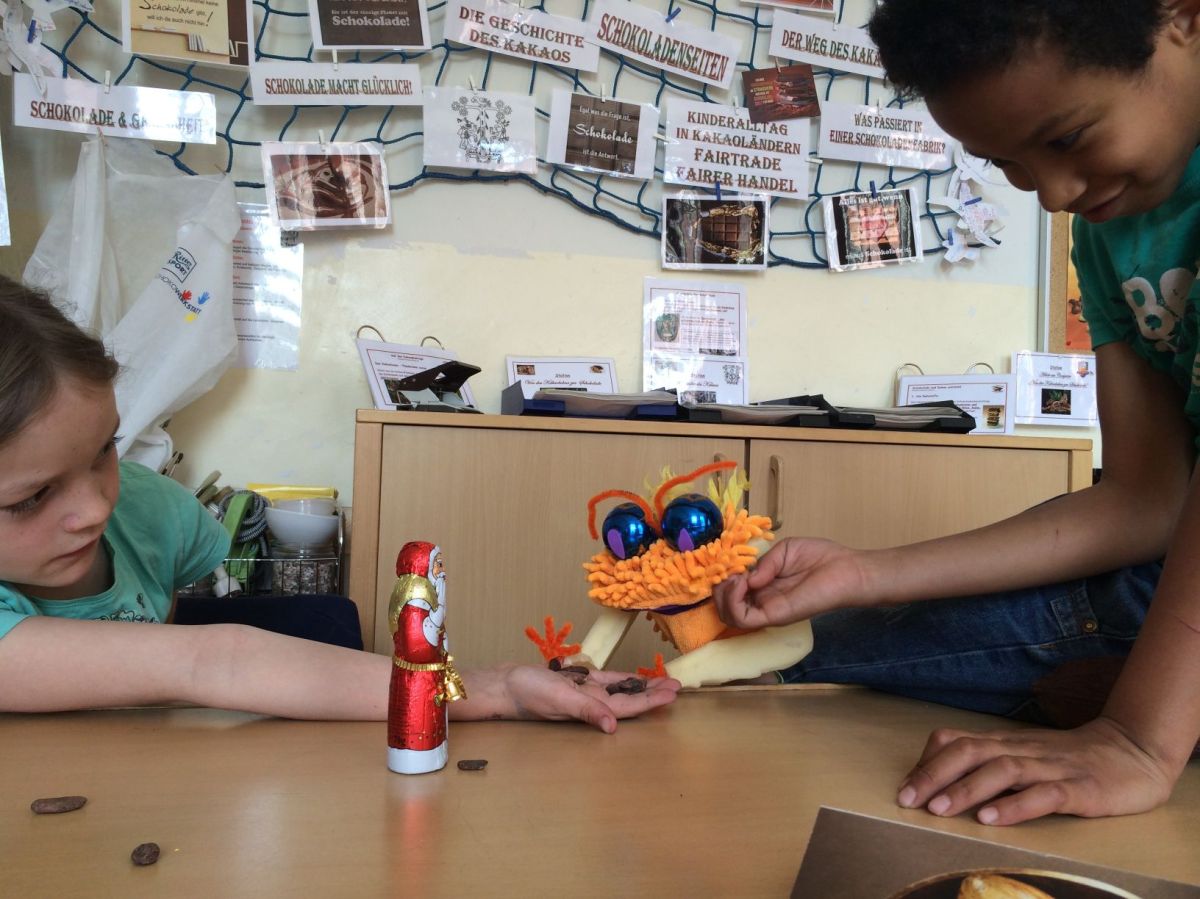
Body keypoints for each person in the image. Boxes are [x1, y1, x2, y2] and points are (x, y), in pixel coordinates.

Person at [714, 0, 1200, 825]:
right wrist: (866, 574)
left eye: (1068, 137)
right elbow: (1148, 498)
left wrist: (1137, 738)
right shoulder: (1107, 229)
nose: (1055, 195)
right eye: (1006, 164)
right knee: (811, 656)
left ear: (1181, 19)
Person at [0, 274, 680, 728]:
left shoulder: (151, 511)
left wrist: (499, 683)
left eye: (104, 450)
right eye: (32, 498)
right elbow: (204, 661)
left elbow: (181, 680)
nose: (96, 507)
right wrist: (492, 689)